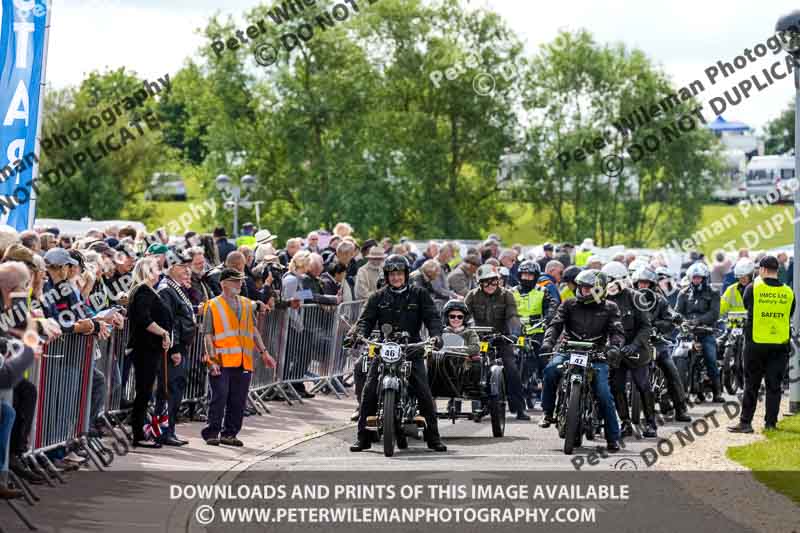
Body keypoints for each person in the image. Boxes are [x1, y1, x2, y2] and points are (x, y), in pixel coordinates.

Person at [349, 255, 447, 452]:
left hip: (412, 348)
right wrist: (357, 336)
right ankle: (363, 438)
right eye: (392, 274)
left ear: (406, 275)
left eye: (399, 274)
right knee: (369, 391)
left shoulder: (419, 294)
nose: (396, 278)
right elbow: (365, 321)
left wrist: (436, 336)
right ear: (387, 276)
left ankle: (433, 438)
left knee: (424, 392)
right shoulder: (377, 297)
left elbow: (433, 318)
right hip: (385, 348)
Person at [539, 269, 624, 452]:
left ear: (599, 290)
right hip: (568, 349)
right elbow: (556, 324)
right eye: (582, 287)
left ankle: (612, 438)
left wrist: (614, 347)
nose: (584, 290)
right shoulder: (569, 304)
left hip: (596, 353)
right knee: (551, 369)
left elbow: (616, 331)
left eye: (589, 288)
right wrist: (548, 342)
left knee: (603, 392)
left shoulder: (610, 307)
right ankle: (547, 412)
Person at [201, 269, 276, 446]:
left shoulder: (247, 304)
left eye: (241, 281)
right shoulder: (212, 305)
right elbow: (207, 335)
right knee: (219, 396)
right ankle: (212, 432)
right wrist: (212, 361)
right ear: (224, 284)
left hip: (243, 361)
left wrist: (264, 352)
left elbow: (253, 330)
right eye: (235, 281)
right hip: (221, 361)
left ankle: (230, 434)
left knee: (238, 400)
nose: (240, 284)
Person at [729, 255, 795, 433]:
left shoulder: (753, 288)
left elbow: (746, 305)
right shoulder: (788, 292)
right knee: (774, 386)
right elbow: (790, 311)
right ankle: (771, 424)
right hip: (779, 345)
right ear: (777, 271)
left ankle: (746, 423)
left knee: (752, 384)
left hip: (755, 344)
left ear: (763, 270)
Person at [465, 265, 530, 421]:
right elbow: (463, 315)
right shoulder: (472, 296)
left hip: (501, 338)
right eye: (487, 282)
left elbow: (512, 317)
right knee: (467, 365)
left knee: (511, 368)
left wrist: (514, 334)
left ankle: (519, 408)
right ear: (480, 283)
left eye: (494, 282)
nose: (491, 286)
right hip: (478, 338)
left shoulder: (506, 295)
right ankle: (457, 402)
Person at [601, 261, 657, 438]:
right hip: (614, 350)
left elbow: (646, 326)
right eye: (605, 281)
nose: (608, 285)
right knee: (616, 387)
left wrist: (634, 346)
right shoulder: (601, 299)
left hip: (636, 348)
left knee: (642, 384)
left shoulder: (635, 297)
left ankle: (650, 423)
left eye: (611, 281)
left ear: (621, 280)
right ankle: (624, 422)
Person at [632, 267, 691, 423]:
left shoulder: (660, 300)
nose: (642, 286)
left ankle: (680, 409)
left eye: (646, 283)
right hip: (635, 344)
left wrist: (663, 324)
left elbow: (670, 316)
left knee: (671, 370)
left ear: (652, 285)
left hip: (656, 342)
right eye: (640, 283)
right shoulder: (628, 299)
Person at [126, 257, 172, 449]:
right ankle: (138, 433)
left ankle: (141, 430)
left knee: (145, 392)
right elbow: (144, 319)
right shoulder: (143, 291)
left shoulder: (147, 291)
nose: (159, 272)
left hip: (150, 348)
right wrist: (162, 332)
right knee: (143, 391)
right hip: (145, 348)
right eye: (155, 269)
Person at [154, 253, 195, 446]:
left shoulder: (176, 288)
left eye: (187, 266)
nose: (186, 270)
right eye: (181, 266)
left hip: (180, 346)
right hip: (173, 348)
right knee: (169, 390)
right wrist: (174, 349)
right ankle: (163, 431)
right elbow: (168, 321)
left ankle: (169, 430)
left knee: (176, 389)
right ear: (171, 268)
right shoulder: (166, 289)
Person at [511, 260, 557, 409]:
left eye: (530, 275)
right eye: (524, 274)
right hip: (517, 332)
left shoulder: (542, 291)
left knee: (544, 360)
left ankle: (546, 393)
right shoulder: (511, 292)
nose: (526, 278)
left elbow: (552, 304)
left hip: (537, 331)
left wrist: (550, 315)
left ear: (535, 276)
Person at [676, 262, 723, 403]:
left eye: (699, 278)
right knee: (673, 356)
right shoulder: (683, 293)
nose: (696, 280)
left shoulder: (713, 293)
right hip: (686, 333)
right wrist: (682, 322)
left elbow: (714, 314)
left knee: (710, 358)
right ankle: (675, 391)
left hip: (705, 332)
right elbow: (677, 312)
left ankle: (717, 391)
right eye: (694, 277)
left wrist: (698, 321)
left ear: (704, 278)